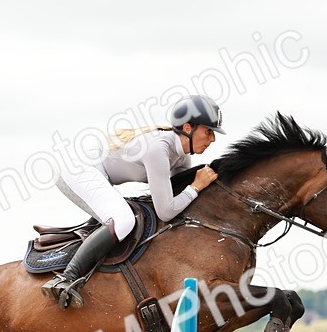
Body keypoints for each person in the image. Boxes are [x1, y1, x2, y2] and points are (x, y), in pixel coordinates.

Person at [40, 95, 224, 308]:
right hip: (75, 167)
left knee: (124, 216)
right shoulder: (159, 148)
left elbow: (175, 202)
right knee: (124, 219)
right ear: (187, 128)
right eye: (208, 131)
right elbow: (166, 211)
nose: (213, 139)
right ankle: (66, 279)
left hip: (96, 171)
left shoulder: (182, 157)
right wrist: (196, 187)